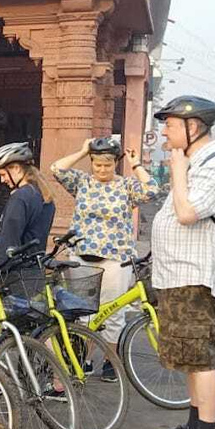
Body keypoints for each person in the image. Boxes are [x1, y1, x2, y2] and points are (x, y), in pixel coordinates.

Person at [150, 96, 215, 429]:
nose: (164, 132)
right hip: (178, 277)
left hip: (196, 278)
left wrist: (177, 171)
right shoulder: (195, 161)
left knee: (201, 360)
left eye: (170, 125)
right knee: (189, 358)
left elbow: (188, 213)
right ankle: (192, 428)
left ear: (193, 127)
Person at [51, 136, 159, 382]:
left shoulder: (126, 186)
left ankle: (111, 362)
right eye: (97, 164)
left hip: (115, 259)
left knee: (113, 314)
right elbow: (56, 169)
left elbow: (152, 189)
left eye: (107, 165)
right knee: (84, 315)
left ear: (115, 164)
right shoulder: (82, 183)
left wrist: (136, 164)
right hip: (82, 257)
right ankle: (84, 361)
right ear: (91, 163)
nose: (102, 169)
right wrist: (81, 150)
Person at [0, 142, 56, 266]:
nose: (2, 180)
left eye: (3, 175)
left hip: (18, 272)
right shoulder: (43, 194)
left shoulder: (20, 197)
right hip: (36, 267)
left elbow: (10, 240)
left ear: (16, 168)